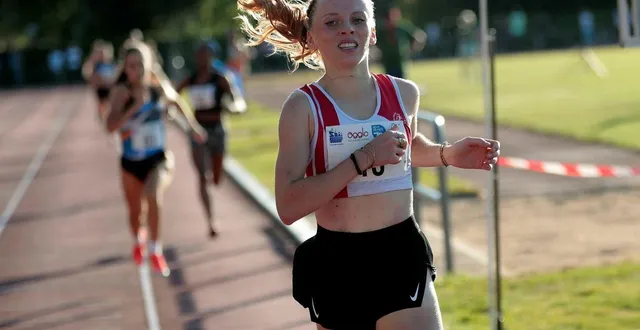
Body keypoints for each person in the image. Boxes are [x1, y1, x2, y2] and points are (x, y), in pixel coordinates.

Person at [236, 0, 501, 329]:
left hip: (400, 253)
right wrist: (363, 159)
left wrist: (446, 154)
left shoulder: (404, 94)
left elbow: (405, 147)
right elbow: (289, 205)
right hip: (338, 266)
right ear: (312, 35)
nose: (347, 28)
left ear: (372, 32)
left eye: (357, 19)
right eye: (332, 22)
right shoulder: (303, 107)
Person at [106, 43, 207, 277]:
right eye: (131, 66)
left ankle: (155, 249)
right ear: (126, 69)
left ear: (148, 65)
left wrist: (193, 127)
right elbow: (109, 126)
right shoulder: (121, 93)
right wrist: (133, 110)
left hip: (158, 158)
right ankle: (139, 238)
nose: (136, 70)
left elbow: (177, 102)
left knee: (153, 194)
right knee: (134, 215)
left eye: (141, 64)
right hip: (131, 163)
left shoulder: (157, 88)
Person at [175, 41, 246, 237]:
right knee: (202, 177)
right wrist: (173, 110)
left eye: (206, 55)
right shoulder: (191, 79)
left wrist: (235, 107)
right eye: (199, 55)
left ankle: (215, 174)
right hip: (198, 130)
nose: (202, 59)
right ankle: (211, 220)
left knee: (216, 178)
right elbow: (173, 96)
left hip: (218, 129)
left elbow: (237, 99)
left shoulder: (220, 78)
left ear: (212, 57)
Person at [82, 39, 116, 122]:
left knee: (109, 103)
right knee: (102, 104)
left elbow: (114, 74)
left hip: (109, 87)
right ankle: (102, 115)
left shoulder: (111, 64)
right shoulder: (95, 65)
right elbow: (87, 73)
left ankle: (107, 116)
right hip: (100, 88)